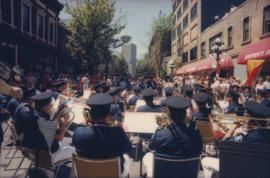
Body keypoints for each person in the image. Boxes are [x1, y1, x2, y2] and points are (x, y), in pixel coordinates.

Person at [201, 101, 270, 178]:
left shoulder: (249, 136)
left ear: (250, 119)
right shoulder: (264, 134)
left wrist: (233, 127)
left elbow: (223, 145)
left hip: (240, 169)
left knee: (205, 161)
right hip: (261, 171)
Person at [72, 93, 132, 177]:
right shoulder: (117, 132)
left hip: (87, 173)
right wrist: (120, 130)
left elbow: (75, 145)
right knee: (127, 158)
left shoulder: (79, 131)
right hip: (112, 174)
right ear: (108, 115)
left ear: (90, 114)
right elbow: (128, 148)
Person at [142, 96, 203, 177]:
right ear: (185, 115)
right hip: (186, 174)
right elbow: (199, 151)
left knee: (148, 156)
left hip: (164, 174)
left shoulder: (160, 134)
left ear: (169, 114)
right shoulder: (195, 134)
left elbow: (151, 148)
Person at [31, 91, 75, 163]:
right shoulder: (45, 122)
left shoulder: (34, 115)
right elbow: (59, 138)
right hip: (50, 155)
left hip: (37, 151)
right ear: (45, 107)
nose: (51, 108)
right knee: (76, 152)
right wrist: (64, 122)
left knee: (67, 143)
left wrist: (58, 112)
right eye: (50, 106)